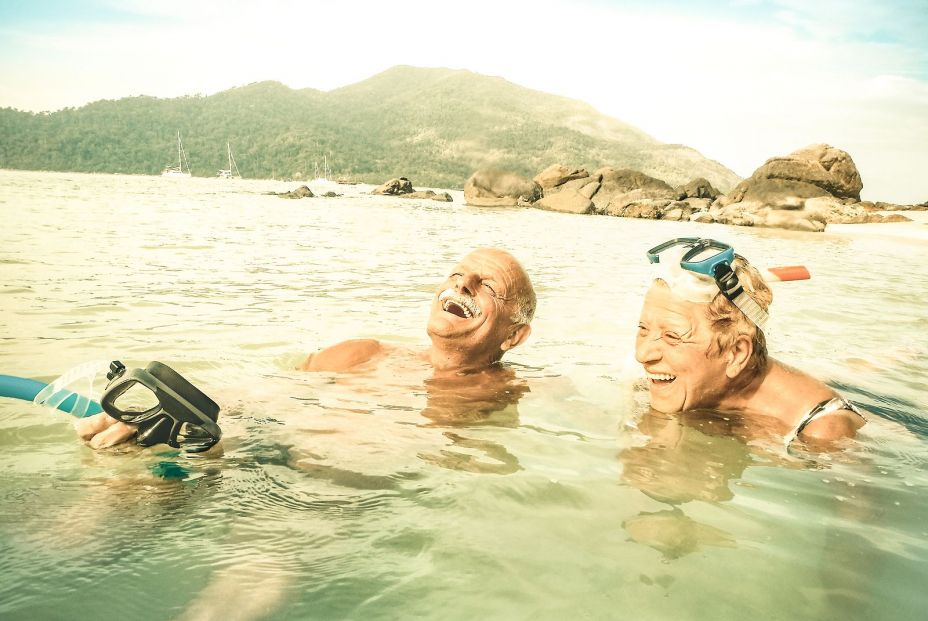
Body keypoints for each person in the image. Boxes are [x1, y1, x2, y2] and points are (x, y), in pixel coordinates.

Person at [76, 247, 537, 447]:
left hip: (315, 496)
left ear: (514, 336)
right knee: (92, 508)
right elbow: (262, 390)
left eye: (487, 285)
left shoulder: (513, 391)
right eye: (456, 275)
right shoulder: (362, 352)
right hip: (232, 444)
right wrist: (174, 408)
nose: (464, 284)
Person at [635, 237, 865, 447]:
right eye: (643, 329)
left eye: (672, 336)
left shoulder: (823, 433)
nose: (643, 354)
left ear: (736, 353)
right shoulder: (679, 382)